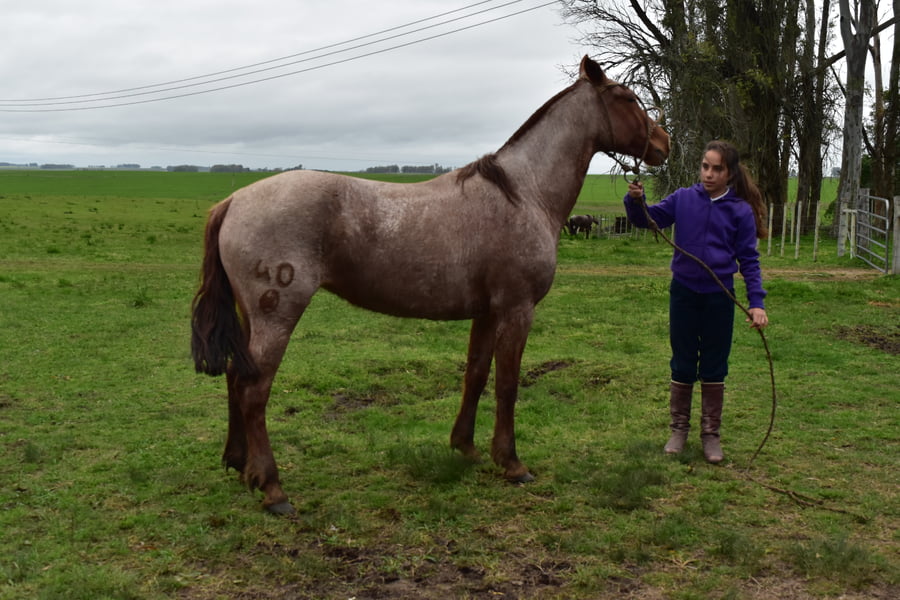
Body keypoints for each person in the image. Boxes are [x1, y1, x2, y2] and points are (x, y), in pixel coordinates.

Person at [624, 140, 769, 463]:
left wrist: (756, 303)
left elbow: (749, 260)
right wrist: (636, 201)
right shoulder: (683, 199)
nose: (709, 173)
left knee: (715, 364)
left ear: (729, 174)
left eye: (717, 168)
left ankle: (710, 434)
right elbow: (647, 219)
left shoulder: (740, 211)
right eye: (705, 166)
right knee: (684, 360)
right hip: (684, 293)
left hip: (720, 297)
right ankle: (678, 429)